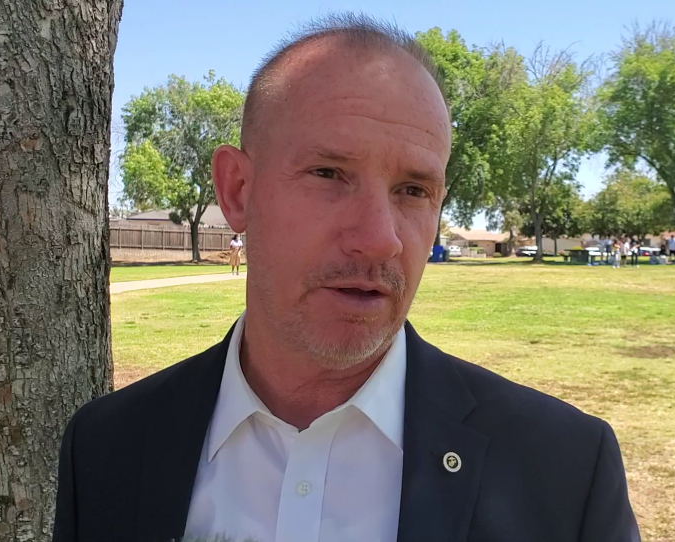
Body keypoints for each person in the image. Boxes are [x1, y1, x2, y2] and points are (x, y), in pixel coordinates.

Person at [52, 14, 639, 542]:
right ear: (238, 191)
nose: (380, 237)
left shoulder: (564, 471)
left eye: (413, 190)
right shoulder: (106, 449)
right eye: (329, 173)